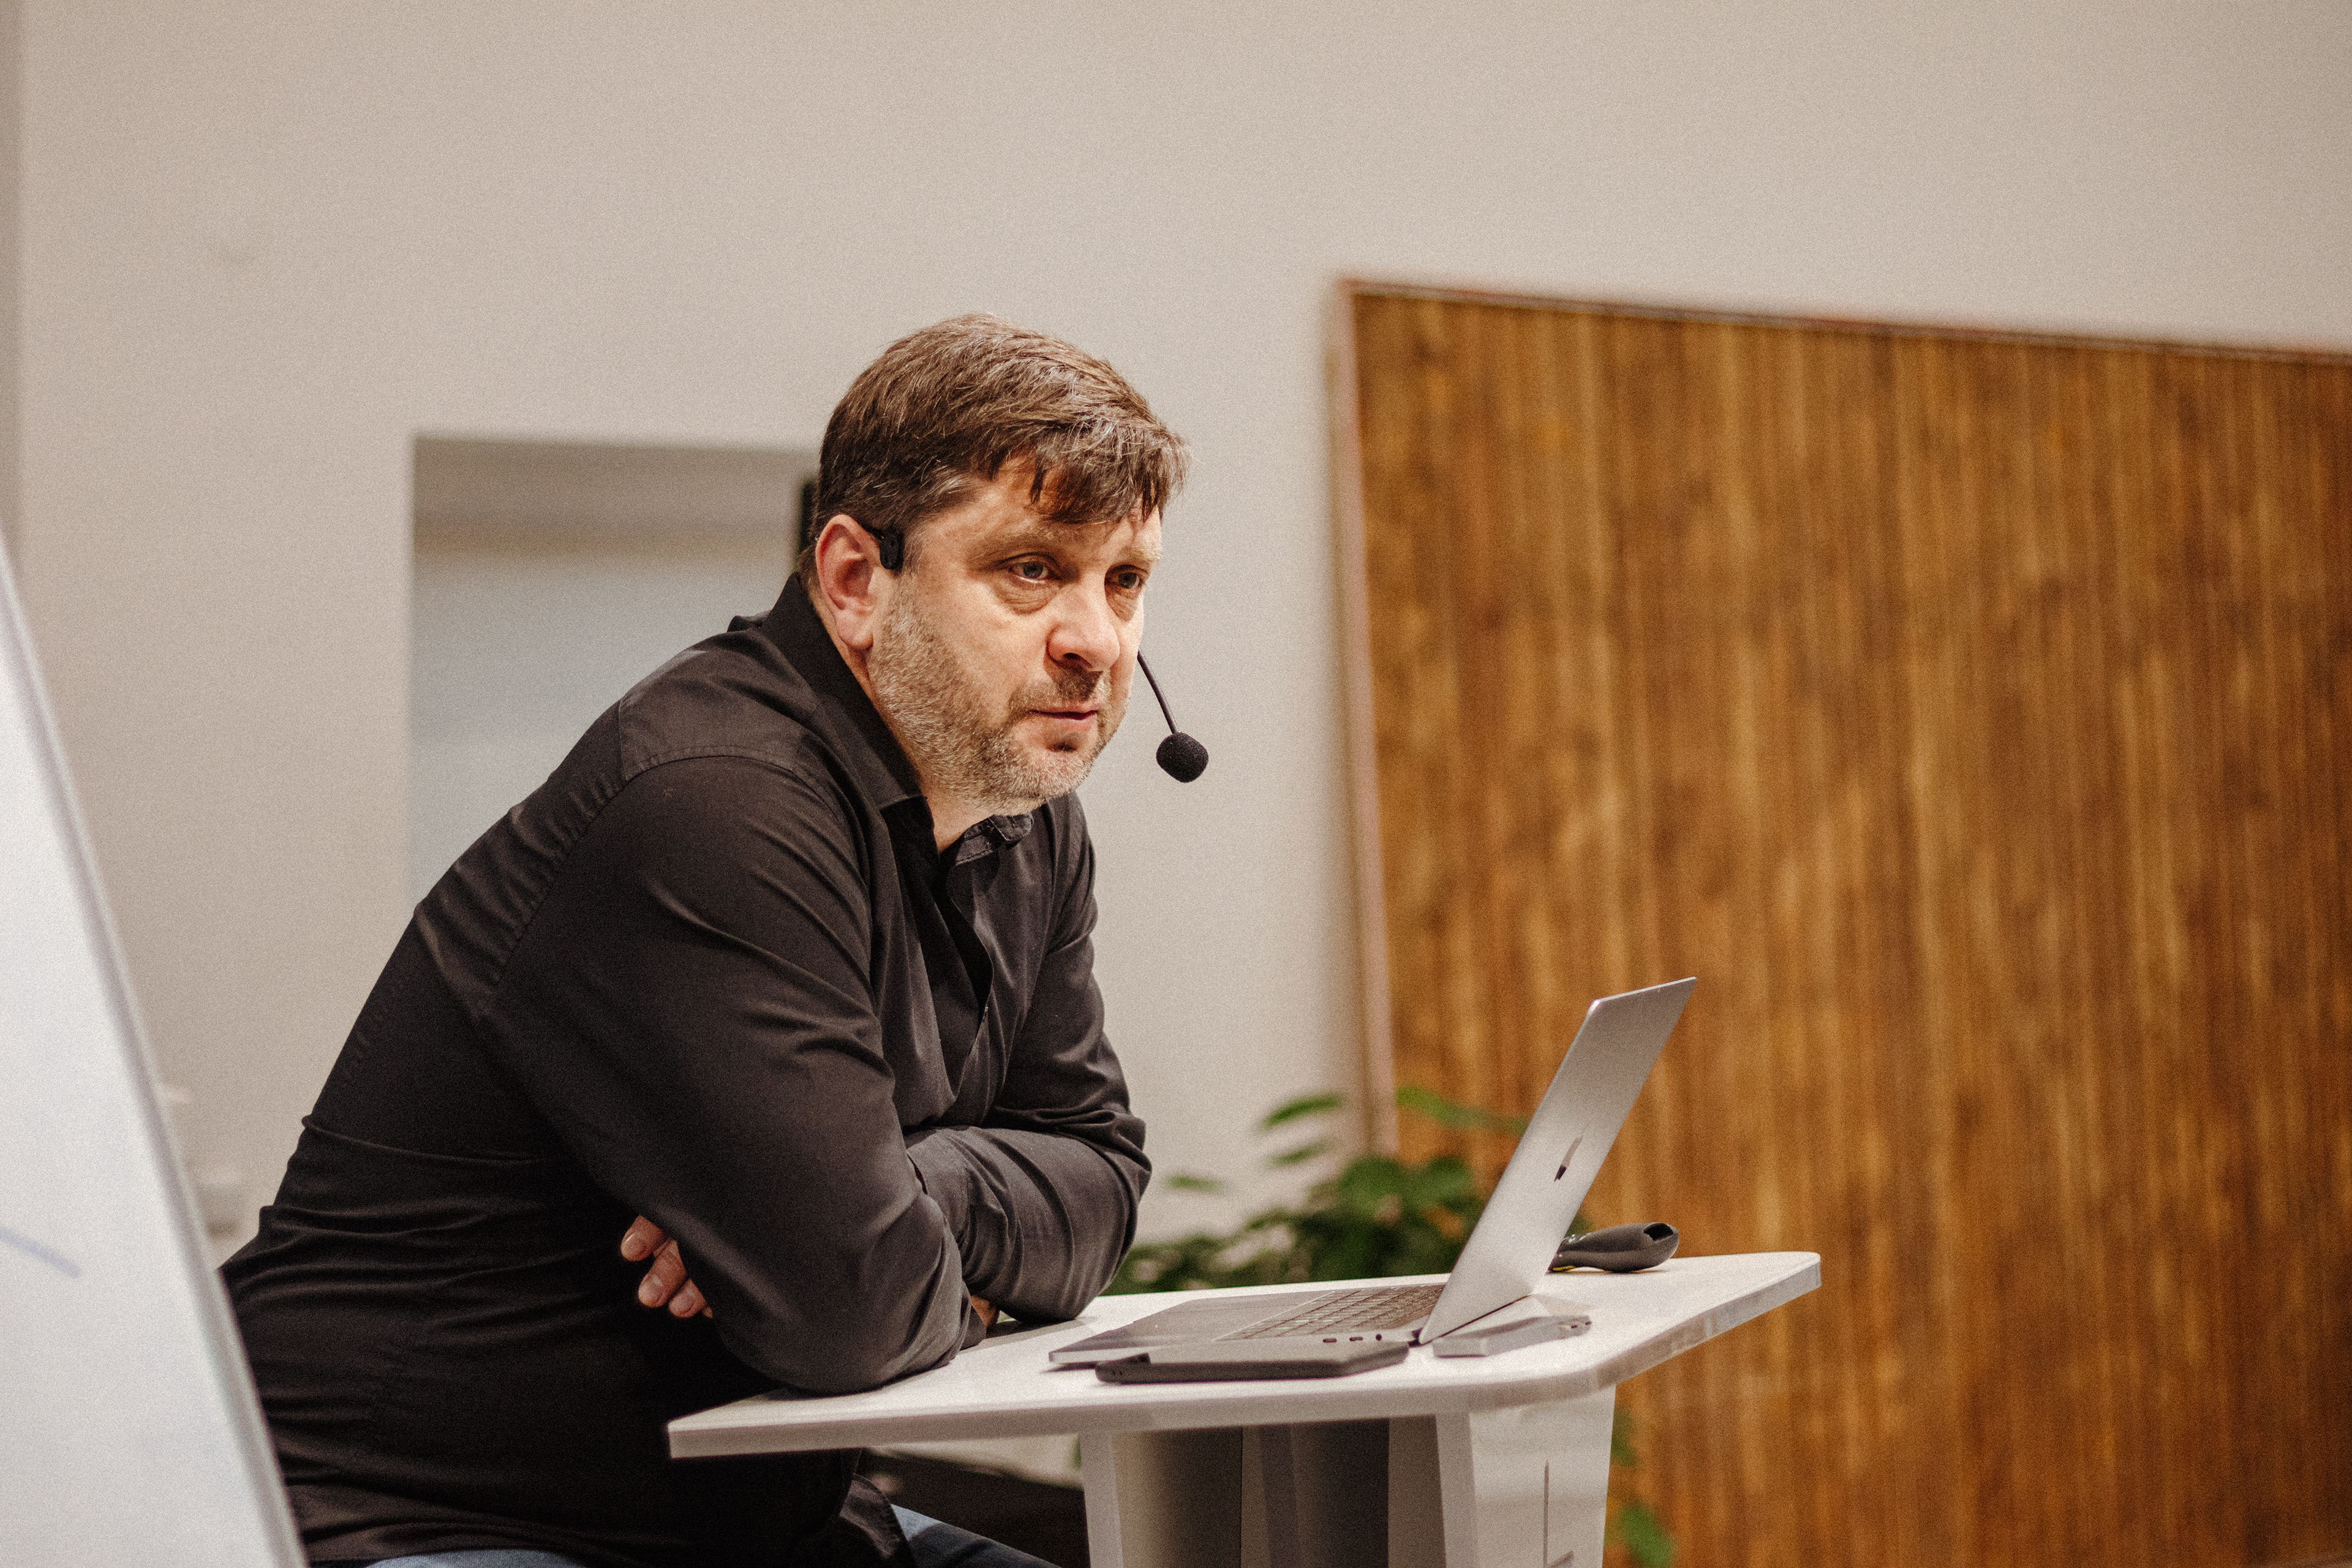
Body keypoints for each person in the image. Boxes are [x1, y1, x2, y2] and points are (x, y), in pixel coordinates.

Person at [224, 314, 1186, 1568]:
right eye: (1031, 570)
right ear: (856, 580)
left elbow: (1102, 1179)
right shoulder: (717, 799)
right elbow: (853, 1312)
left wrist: (918, 1184)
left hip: (742, 1515)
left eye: (1124, 581)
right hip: (416, 1516)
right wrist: (890, 1248)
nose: (1096, 640)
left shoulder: (1025, 816)